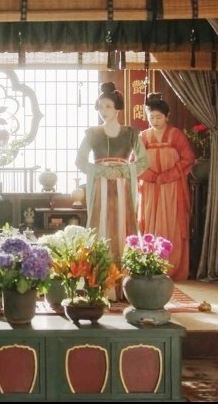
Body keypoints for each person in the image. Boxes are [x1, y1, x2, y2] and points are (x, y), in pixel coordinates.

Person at [75, 82, 149, 299]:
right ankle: (99, 285)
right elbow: (80, 161)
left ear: (117, 108)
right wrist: (101, 171)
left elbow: (144, 161)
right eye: (100, 107)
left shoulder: (131, 133)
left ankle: (125, 286)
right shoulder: (92, 133)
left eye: (108, 106)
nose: (103, 111)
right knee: (100, 226)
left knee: (123, 226)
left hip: (123, 185)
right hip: (100, 185)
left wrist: (124, 170)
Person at [136, 93, 195, 281]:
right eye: (151, 117)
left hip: (172, 188)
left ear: (167, 116)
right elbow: (134, 162)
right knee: (148, 223)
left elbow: (188, 158)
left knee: (172, 223)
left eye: (159, 117)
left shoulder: (176, 135)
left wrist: (167, 176)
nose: (155, 121)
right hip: (150, 188)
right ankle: (149, 265)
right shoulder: (143, 136)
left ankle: (172, 267)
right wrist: (152, 176)